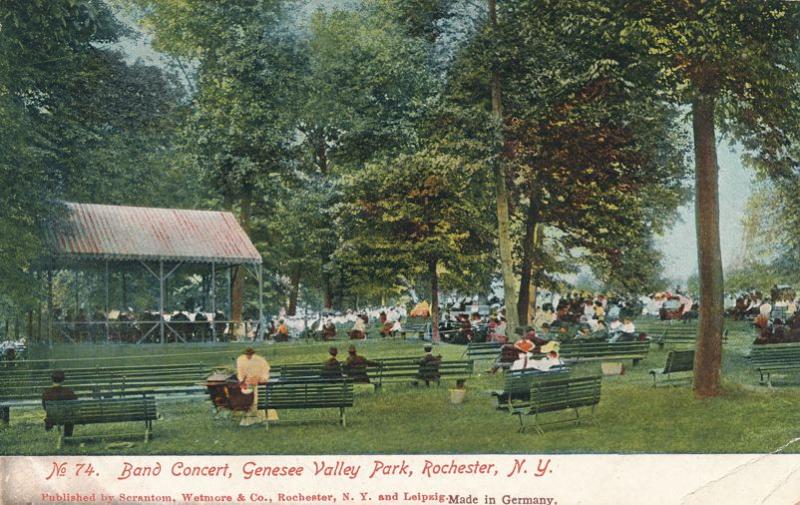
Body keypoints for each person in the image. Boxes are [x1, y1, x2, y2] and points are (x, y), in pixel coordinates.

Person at [236, 347, 275, 426]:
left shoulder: (260, 360)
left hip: (259, 382)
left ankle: (266, 417)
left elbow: (265, 371)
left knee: (261, 397)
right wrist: (243, 381)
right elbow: (240, 373)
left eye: (250, 354)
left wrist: (260, 379)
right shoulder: (240, 360)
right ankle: (252, 419)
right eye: (247, 354)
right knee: (250, 399)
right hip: (248, 383)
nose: (249, 356)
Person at [42, 370, 78, 437]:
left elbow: (44, 407)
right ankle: (67, 437)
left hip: (52, 418)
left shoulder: (46, 393)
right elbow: (76, 404)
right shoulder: (69, 392)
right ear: (63, 380)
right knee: (69, 417)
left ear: (52, 379)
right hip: (67, 417)